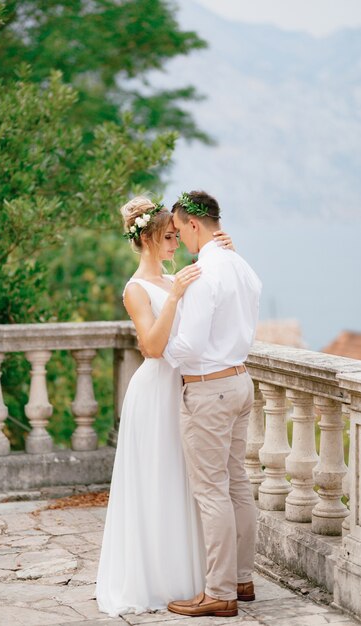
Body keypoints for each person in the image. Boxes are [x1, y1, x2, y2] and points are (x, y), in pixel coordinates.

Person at [96, 196, 234, 616]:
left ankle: (192, 579)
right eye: (170, 237)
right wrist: (174, 297)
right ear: (151, 239)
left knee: (186, 483)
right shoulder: (136, 289)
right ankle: (154, 579)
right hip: (155, 392)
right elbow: (152, 347)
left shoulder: (175, 276)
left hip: (187, 387)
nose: (176, 243)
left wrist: (220, 253)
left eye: (177, 235)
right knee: (159, 480)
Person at [164, 190, 262, 619]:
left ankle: (219, 592)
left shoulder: (203, 273)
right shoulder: (242, 265)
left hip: (209, 388)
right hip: (241, 382)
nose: (180, 239)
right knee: (237, 483)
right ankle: (242, 579)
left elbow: (189, 346)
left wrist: (158, 347)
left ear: (193, 225)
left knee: (211, 491)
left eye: (180, 229)